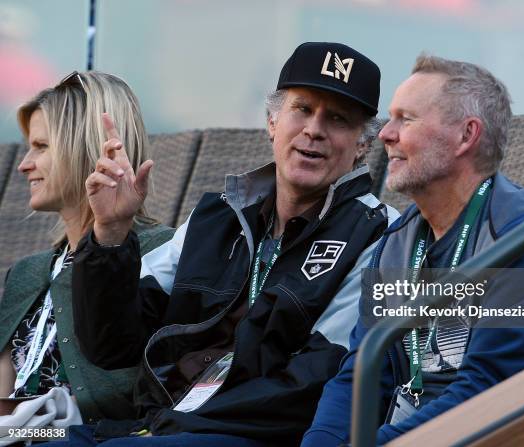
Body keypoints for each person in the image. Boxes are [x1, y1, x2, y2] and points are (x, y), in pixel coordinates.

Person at [65, 42, 399, 446]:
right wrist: (111, 234)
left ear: (363, 144)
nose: (314, 129)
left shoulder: (379, 235)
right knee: (33, 439)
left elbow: (315, 384)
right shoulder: (216, 217)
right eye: (303, 109)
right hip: (160, 427)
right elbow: (111, 345)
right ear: (273, 121)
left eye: (339, 119)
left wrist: (183, 424)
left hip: (245, 436)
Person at [302, 54, 524, 446]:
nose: (386, 133)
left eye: (407, 118)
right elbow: (359, 374)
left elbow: (489, 390)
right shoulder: (397, 243)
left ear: (466, 135)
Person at [0, 71, 174, 423]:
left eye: (41, 147)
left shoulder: (164, 254)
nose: (24, 165)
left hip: (84, 437)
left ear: (84, 148)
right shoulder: (27, 273)